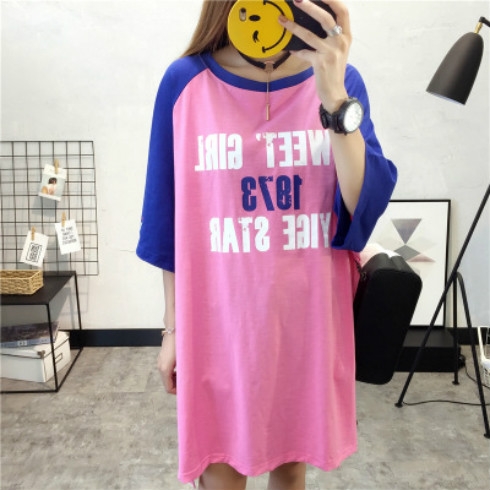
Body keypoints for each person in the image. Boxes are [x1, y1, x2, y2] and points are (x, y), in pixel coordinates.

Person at [137, 1, 397, 488]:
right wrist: (172, 331)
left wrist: (333, 95)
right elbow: (168, 220)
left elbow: (362, 205)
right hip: (218, 326)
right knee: (221, 470)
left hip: (309, 322)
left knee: (292, 468)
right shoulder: (186, 83)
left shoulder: (341, 82)